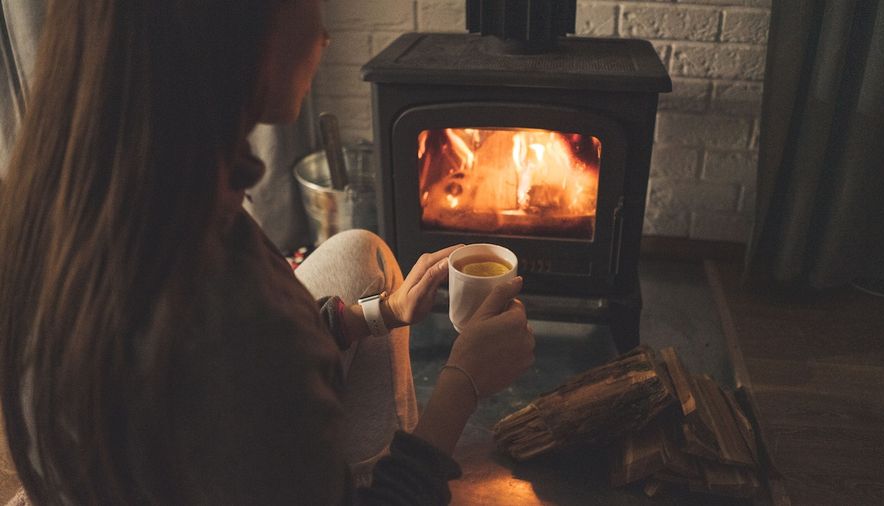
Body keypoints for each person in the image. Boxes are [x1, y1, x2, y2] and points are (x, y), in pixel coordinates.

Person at [0, 0, 535, 504]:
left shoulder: (113, 186)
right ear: (233, 27)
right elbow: (242, 360)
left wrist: (381, 316)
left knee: (362, 252)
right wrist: (462, 383)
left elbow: (214, 388)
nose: (325, 35)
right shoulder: (247, 329)